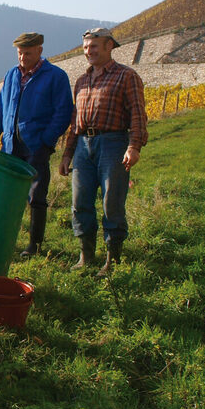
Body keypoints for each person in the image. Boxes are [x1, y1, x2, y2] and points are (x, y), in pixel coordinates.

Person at [58, 27, 148, 275]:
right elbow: (75, 122)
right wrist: (68, 154)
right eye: (86, 47)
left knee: (112, 201)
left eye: (94, 46)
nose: (89, 52)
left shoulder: (126, 76)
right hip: (84, 147)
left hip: (113, 143)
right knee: (80, 202)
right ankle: (86, 256)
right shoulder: (82, 81)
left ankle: (112, 259)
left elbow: (138, 115)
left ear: (109, 46)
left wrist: (134, 146)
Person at [0, 32, 74, 256]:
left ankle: (35, 244)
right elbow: (0, 110)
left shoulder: (55, 76)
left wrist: (46, 140)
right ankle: (7, 241)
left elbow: (63, 113)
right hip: (10, 147)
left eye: (28, 53)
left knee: (36, 196)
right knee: (9, 196)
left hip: (36, 146)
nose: (23, 57)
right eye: (20, 53)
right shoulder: (11, 75)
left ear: (40, 51)